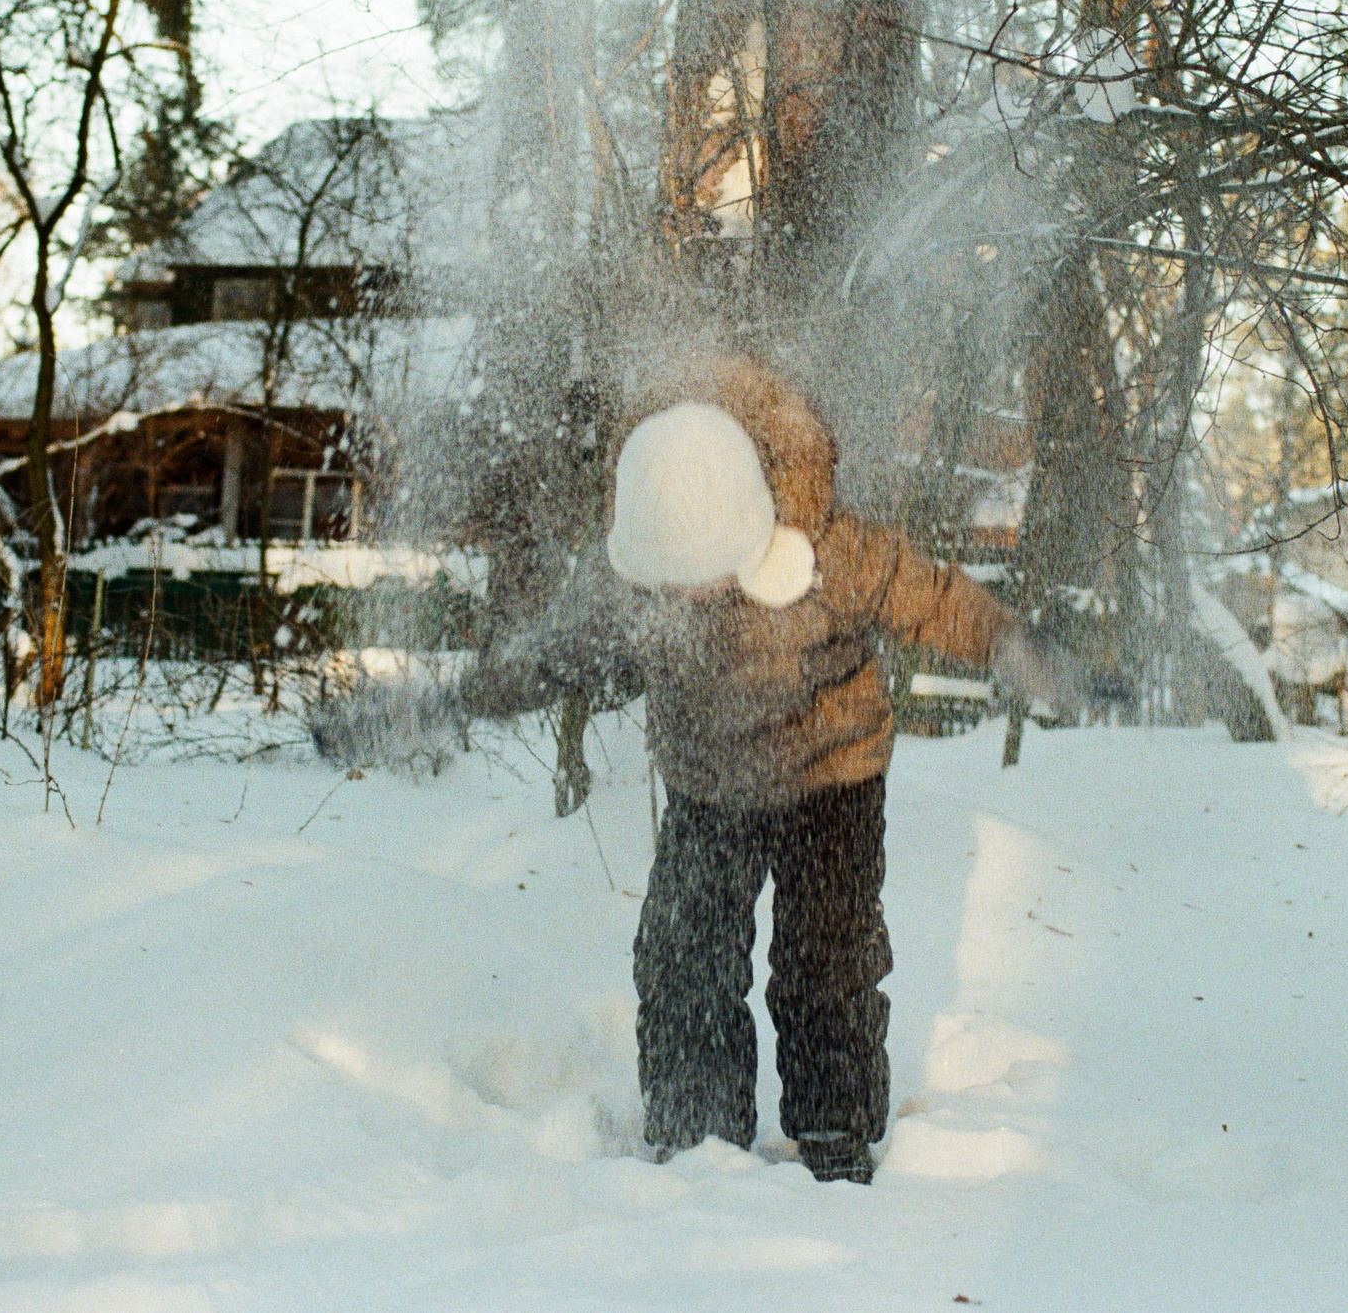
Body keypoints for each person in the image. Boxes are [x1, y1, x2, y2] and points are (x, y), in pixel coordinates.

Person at [459, 350, 1073, 1183]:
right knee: (683, 961)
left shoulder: (823, 545)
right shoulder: (641, 555)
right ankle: (694, 1140)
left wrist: (1008, 644)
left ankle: (834, 1139)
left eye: (702, 581)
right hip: (709, 785)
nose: (685, 602)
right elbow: (561, 655)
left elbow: (925, 594)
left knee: (827, 964)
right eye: (669, 586)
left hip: (832, 775)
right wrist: (464, 695)